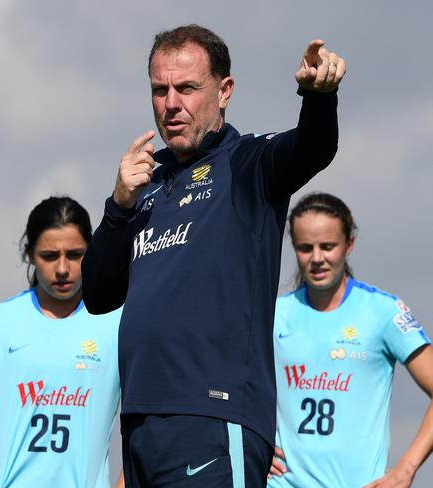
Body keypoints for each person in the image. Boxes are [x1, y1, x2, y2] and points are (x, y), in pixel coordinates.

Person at [81, 24, 346, 487]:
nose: (171, 104)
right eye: (159, 90)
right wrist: (119, 206)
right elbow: (99, 295)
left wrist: (318, 98)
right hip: (141, 421)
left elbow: (312, 147)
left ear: (224, 91)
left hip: (214, 415)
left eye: (186, 88)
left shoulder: (248, 163)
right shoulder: (147, 183)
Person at [0, 196, 124, 488]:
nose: (62, 268)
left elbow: (147, 419)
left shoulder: (119, 323)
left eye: (75, 254)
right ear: (29, 253)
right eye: (49, 256)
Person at [268, 192, 433, 487]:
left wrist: (406, 469)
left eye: (328, 246)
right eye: (306, 248)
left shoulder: (383, 312)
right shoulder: (274, 314)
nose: (317, 258)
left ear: (349, 244)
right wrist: (253, 448)